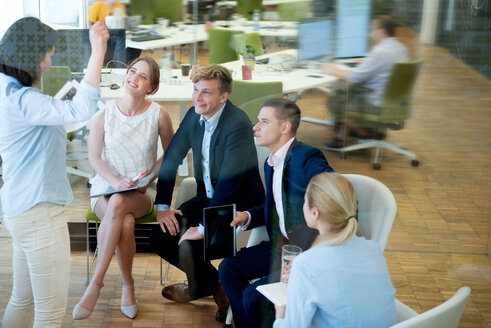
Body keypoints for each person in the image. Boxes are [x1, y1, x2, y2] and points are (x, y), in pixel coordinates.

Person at [0, 17, 108, 327]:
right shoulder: (22, 100)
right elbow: (82, 109)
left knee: (22, 299)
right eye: (48, 53)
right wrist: (97, 50)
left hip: (20, 208)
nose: (50, 61)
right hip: (39, 214)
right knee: (48, 315)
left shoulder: (7, 87)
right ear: (30, 56)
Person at [149, 64, 265, 322]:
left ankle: (210, 286)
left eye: (206, 93)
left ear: (223, 97)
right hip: (207, 199)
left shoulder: (238, 124)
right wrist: (163, 206)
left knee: (190, 244)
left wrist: (202, 227)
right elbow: (171, 158)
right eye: (195, 90)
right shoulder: (194, 115)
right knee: (160, 236)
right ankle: (212, 285)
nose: (197, 98)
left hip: (237, 206)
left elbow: (229, 183)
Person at [72, 56, 174, 320]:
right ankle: (127, 286)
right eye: (132, 71)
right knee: (123, 220)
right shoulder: (103, 112)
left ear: (151, 87)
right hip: (104, 187)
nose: (134, 78)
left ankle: (96, 284)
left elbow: (171, 155)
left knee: (121, 204)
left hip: (140, 194)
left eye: (143, 76)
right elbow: (95, 157)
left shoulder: (159, 115)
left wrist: (148, 178)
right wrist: (116, 182)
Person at [218, 98, 334, 328]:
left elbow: (334, 194)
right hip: (280, 247)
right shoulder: (271, 163)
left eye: (264, 121)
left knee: (253, 296)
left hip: (305, 255)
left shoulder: (307, 157)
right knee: (228, 268)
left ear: (284, 127)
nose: (255, 127)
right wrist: (248, 216)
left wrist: (311, 255)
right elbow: (278, 207)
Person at [274, 172, 396, 327]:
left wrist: (279, 317)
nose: (303, 205)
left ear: (315, 213)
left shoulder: (305, 265)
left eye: (305, 201)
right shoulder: (373, 249)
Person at [322, 15, 409, 149]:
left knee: (335, 100)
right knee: (348, 95)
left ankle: (358, 132)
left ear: (381, 31)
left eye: (372, 28)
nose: (370, 31)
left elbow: (354, 78)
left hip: (377, 105)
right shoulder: (400, 48)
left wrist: (332, 69)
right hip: (396, 104)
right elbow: (384, 68)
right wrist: (366, 63)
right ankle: (349, 134)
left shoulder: (380, 52)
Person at [89, 0, 141, 66]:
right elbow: (90, 25)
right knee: (121, 35)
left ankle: (129, 63)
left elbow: (124, 20)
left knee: (134, 36)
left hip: (119, 31)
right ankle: (120, 65)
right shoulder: (96, 6)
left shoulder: (118, 5)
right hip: (104, 33)